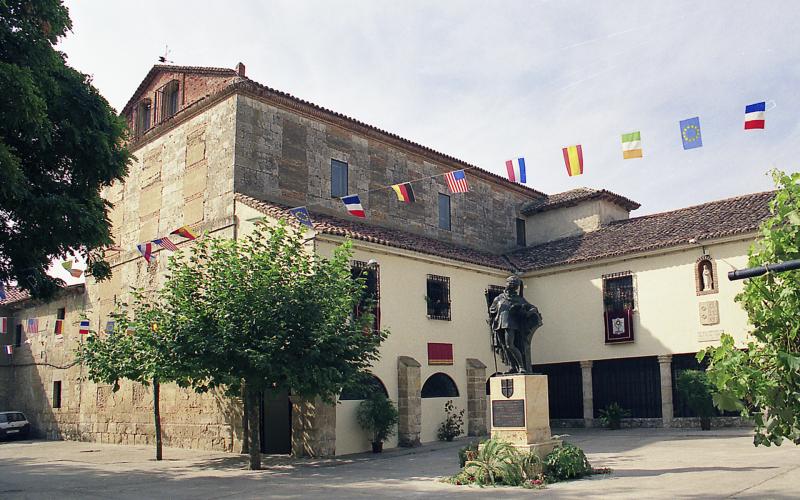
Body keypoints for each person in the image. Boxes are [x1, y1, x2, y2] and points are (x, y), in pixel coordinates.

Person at [488, 275, 543, 373]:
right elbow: (492, 310)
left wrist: (525, 312)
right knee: (504, 347)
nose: (512, 286)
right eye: (511, 283)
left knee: (510, 345)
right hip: (499, 324)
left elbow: (533, 308)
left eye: (515, 285)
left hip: (511, 324)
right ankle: (512, 366)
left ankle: (521, 366)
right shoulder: (499, 298)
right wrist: (491, 315)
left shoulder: (519, 299)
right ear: (507, 284)